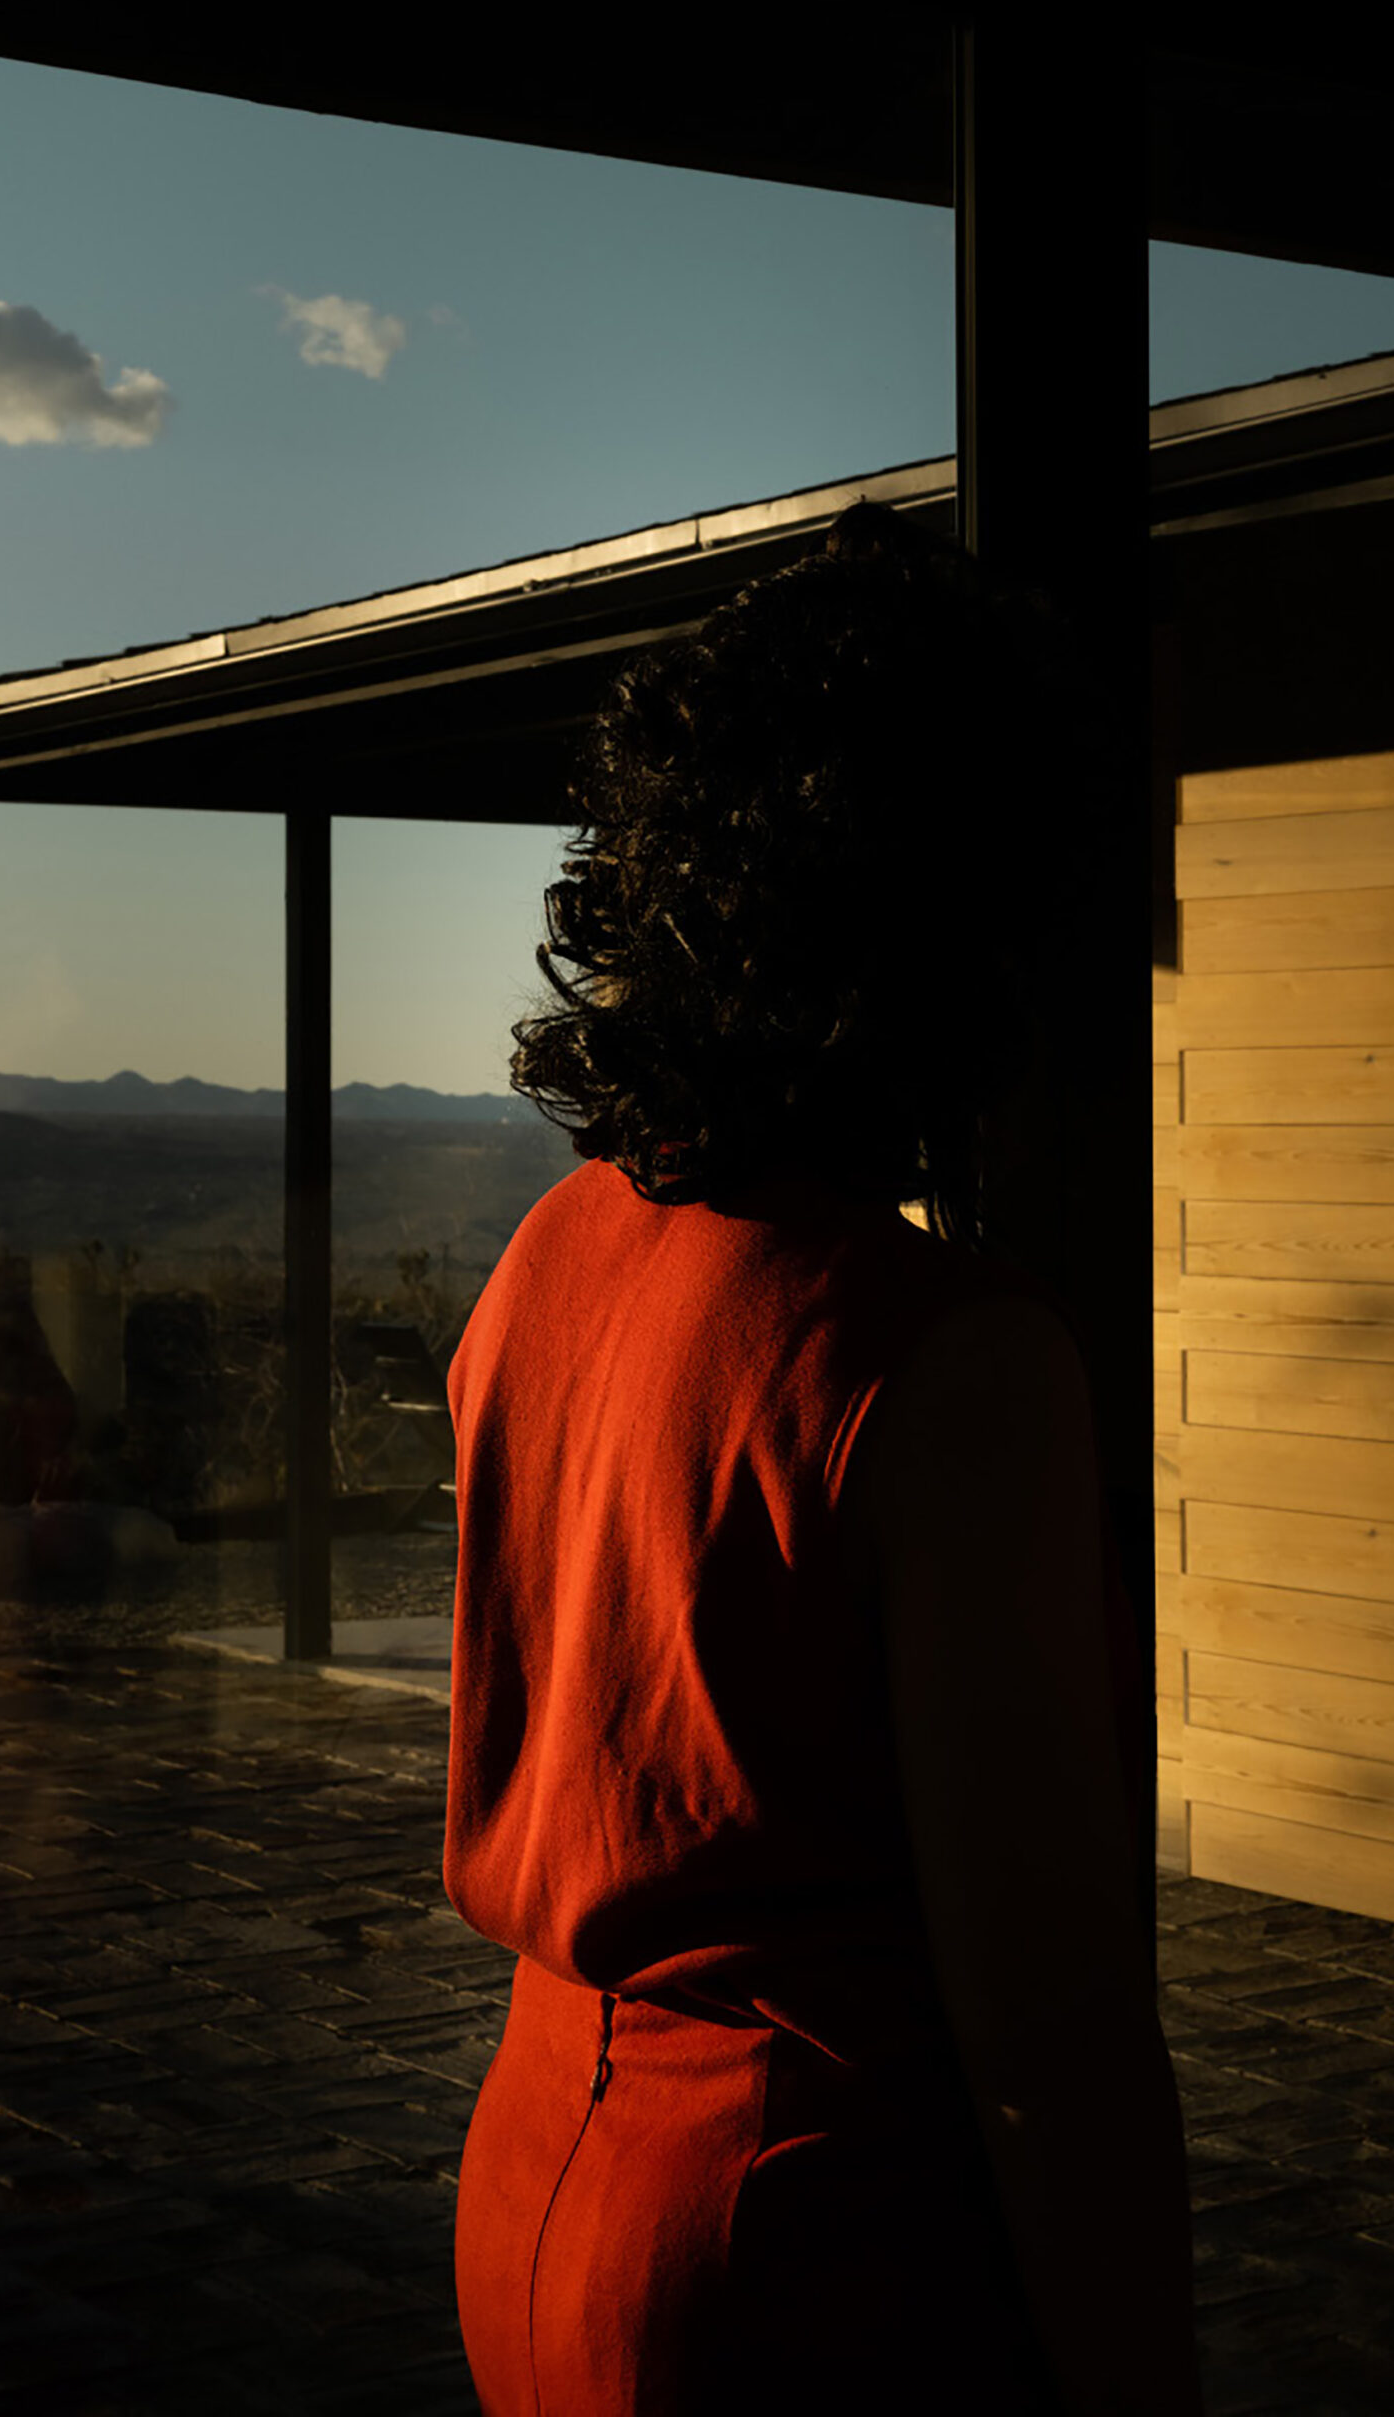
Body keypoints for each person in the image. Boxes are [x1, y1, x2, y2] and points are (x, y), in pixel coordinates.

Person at [441, 498, 1202, 2416]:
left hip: (537, 2180)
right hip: (809, 2249)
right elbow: (1046, 2014)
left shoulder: (553, 1255)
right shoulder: (947, 1363)